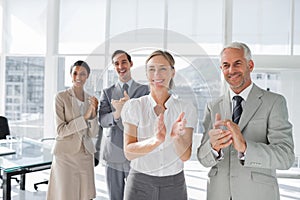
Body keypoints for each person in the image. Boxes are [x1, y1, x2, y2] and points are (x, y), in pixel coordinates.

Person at [197, 42, 295, 200]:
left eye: (237, 63)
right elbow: (202, 158)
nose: (231, 70)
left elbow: (286, 157)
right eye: (226, 65)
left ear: (250, 65)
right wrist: (213, 148)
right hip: (218, 194)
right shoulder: (213, 107)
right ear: (221, 69)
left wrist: (245, 148)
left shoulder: (274, 102)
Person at [121, 50, 198, 200]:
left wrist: (175, 138)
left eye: (163, 68)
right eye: (151, 69)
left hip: (174, 185)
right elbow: (129, 152)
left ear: (173, 72)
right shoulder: (134, 106)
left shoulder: (186, 109)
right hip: (139, 184)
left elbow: (185, 156)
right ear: (146, 74)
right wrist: (156, 140)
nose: (157, 74)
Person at [98, 50, 149, 200]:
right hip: (113, 154)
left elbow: (147, 119)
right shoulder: (107, 92)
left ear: (131, 63)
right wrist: (117, 114)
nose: (121, 66)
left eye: (124, 62)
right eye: (116, 63)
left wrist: (131, 108)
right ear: (114, 67)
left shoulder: (144, 90)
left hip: (136, 154)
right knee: (115, 197)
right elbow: (101, 120)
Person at [47, 60, 99, 200]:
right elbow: (61, 130)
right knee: (65, 195)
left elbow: (93, 133)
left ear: (87, 76)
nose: (78, 77)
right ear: (70, 75)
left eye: (82, 74)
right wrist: (85, 116)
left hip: (85, 154)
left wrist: (94, 114)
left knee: (85, 195)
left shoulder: (91, 99)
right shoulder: (61, 97)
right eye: (75, 73)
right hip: (65, 155)